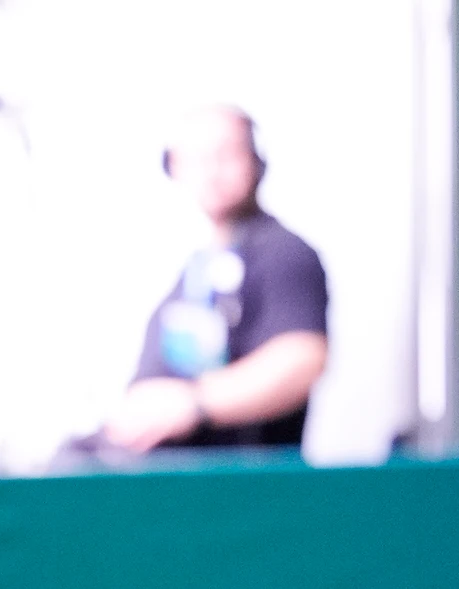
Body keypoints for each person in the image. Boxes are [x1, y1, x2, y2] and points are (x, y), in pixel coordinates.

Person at [102, 105, 329, 453]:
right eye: (195, 159)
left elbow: (301, 357)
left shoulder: (283, 252)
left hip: (237, 484)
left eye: (225, 154)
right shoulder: (196, 268)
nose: (211, 172)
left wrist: (192, 404)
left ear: (256, 161)